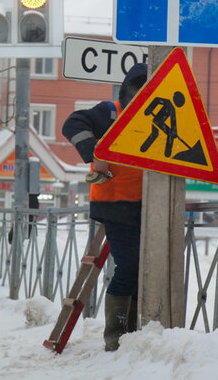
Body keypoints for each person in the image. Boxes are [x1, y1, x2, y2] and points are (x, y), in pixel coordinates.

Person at [61, 63, 148, 351]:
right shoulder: (111, 112)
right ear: (127, 90)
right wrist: (94, 152)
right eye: (138, 89)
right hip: (114, 203)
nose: (141, 95)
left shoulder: (158, 116)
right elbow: (72, 123)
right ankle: (117, 336)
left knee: (140, 269)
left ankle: (132, 334)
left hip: (145, 206)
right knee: (130, 267)